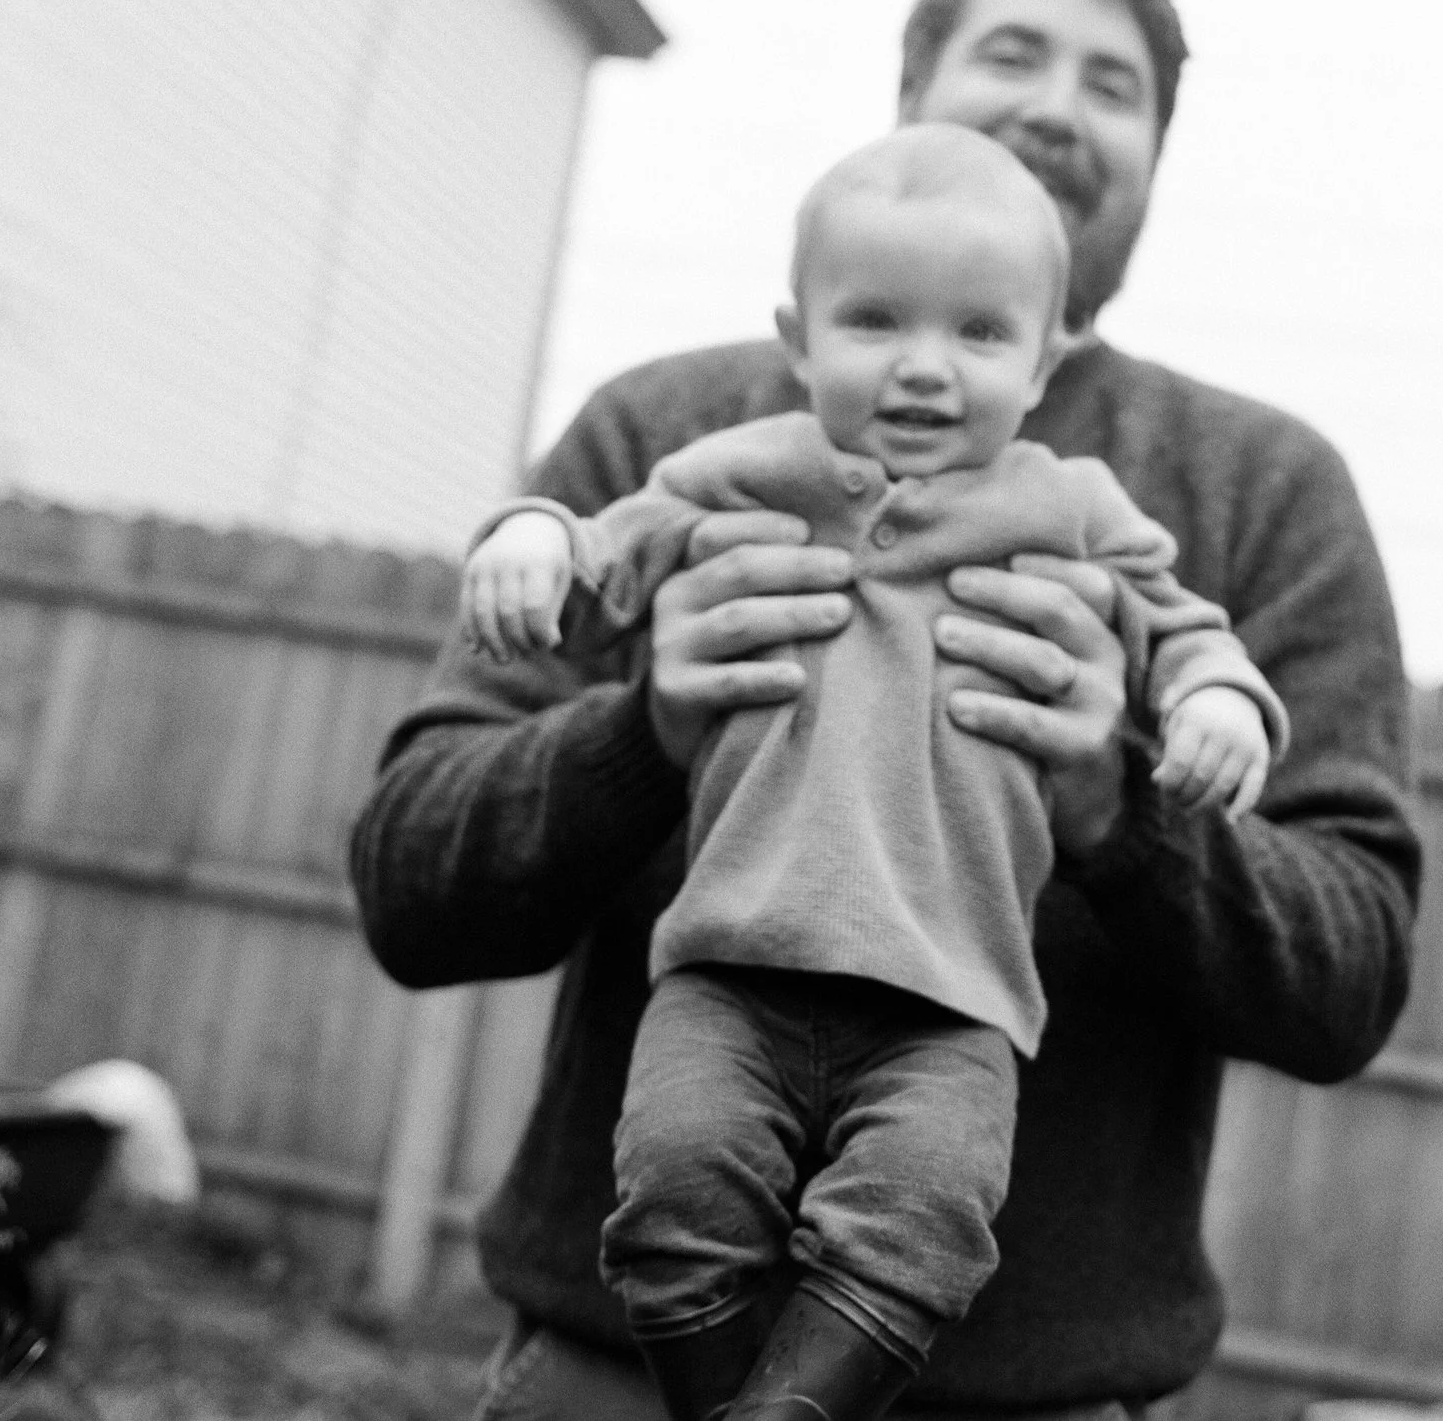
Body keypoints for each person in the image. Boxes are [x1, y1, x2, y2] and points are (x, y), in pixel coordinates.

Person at [349, 0, 1422, 1421]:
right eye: (1014, 52)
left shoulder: (1257, 495)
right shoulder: (680, 442)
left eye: (1112, 85)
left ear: (1155, 162)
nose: (1058, 104)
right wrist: (646, 731)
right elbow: (410, 879)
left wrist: (1125, 810)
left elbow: (1354, 970)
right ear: (913, 96)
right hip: (613, 1373)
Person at [457, 122, 1285, 1421]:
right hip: (732, 964)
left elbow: (1181, 622)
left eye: (977, 334)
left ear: (1046, 353)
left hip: (951, 1002)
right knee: (674, 1182)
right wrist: (524, 536)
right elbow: (603, 547)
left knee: (923, 1218)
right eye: (875, 321)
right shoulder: (746, 471)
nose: (922, 367)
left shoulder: (1069, 505)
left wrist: (1218, 695)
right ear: (798, 336)